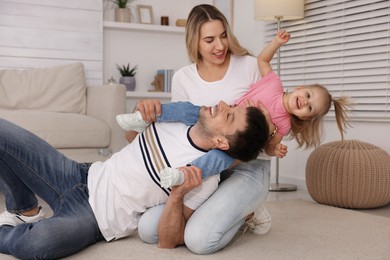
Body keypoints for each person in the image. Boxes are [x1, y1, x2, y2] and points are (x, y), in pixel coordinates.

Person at [0, 101, 269, 259]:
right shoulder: (174, 119)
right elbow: (132, 141)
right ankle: (25, 210)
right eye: (231, 106)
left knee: (39, 245)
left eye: (229, 115)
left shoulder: (203, 179)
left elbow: (168, 240)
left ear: (222, 141)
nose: (222, 105)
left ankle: (12, 228)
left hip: (95, 218)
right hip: (80, 174)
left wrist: (177, 195)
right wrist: (139, 112)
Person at [116, 30, 351, 187]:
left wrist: (275, 148)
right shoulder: (274, 82)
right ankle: (145, 118)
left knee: (217, 161)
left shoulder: (285, 123)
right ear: (301, 87)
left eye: (309, 108)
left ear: (304, 117)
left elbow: (267, 147)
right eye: (307, 96)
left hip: (237, 147)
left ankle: (181, 174)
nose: (304, 103)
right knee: (187, 110)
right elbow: (263, 61)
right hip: (223, 120)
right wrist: (276, 43)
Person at [129, 4, 273, 254]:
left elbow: (271, 125)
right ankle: (221, 209)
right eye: (209, 40)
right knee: (148, 229)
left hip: (247, 165)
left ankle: (245, 212)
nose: (220, 46)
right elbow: (182, 132)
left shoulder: (250, 66)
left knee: (198, 240)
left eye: (223, 36)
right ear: (195, 42)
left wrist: (267, 124)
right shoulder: (183, 78)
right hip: (205, 169)